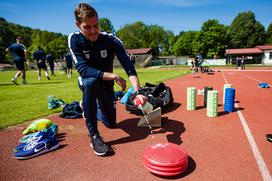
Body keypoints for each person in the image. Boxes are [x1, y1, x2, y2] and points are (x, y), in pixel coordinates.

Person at [68, 3, 147, 156]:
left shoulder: (111, 40)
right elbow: (83, 70)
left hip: (106, 85)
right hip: (87, 81)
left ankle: (86, 106)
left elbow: (128, 66)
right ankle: (94, 135)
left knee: (111, 123)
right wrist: (113, 75)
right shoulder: (74, 39)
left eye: (96, 26)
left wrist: (139, 92)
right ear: (78, 25)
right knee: (91, 83)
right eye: (87, 27)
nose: (93, 31)